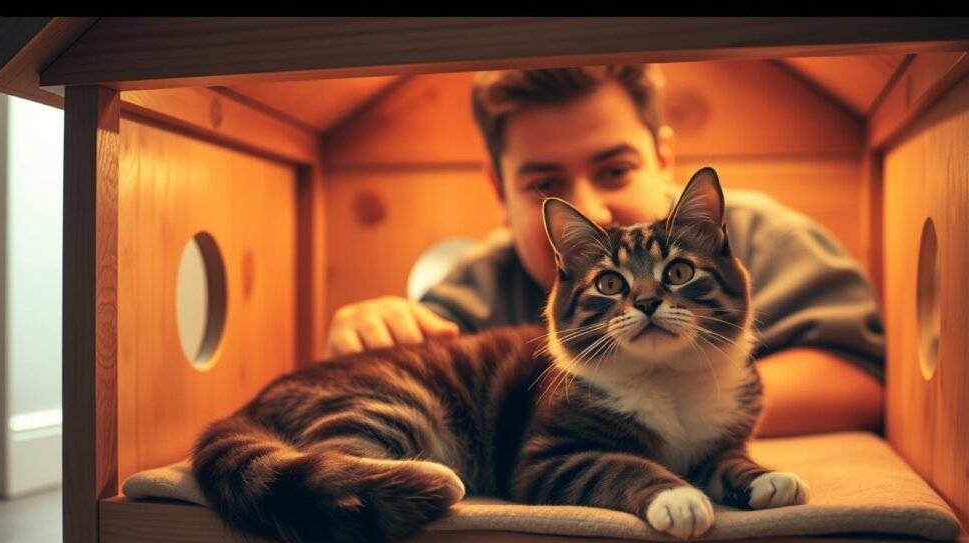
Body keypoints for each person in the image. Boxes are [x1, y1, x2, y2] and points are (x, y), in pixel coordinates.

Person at [323, 65, 884, 438]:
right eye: (546, 184)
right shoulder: (480, 283)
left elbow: (857, 377)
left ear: (664, 160)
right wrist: (369, 334)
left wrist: (668, 411)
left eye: (615, 170)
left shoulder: (761, 236)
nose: (592, 209)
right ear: (499, 192)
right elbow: (423, 369)